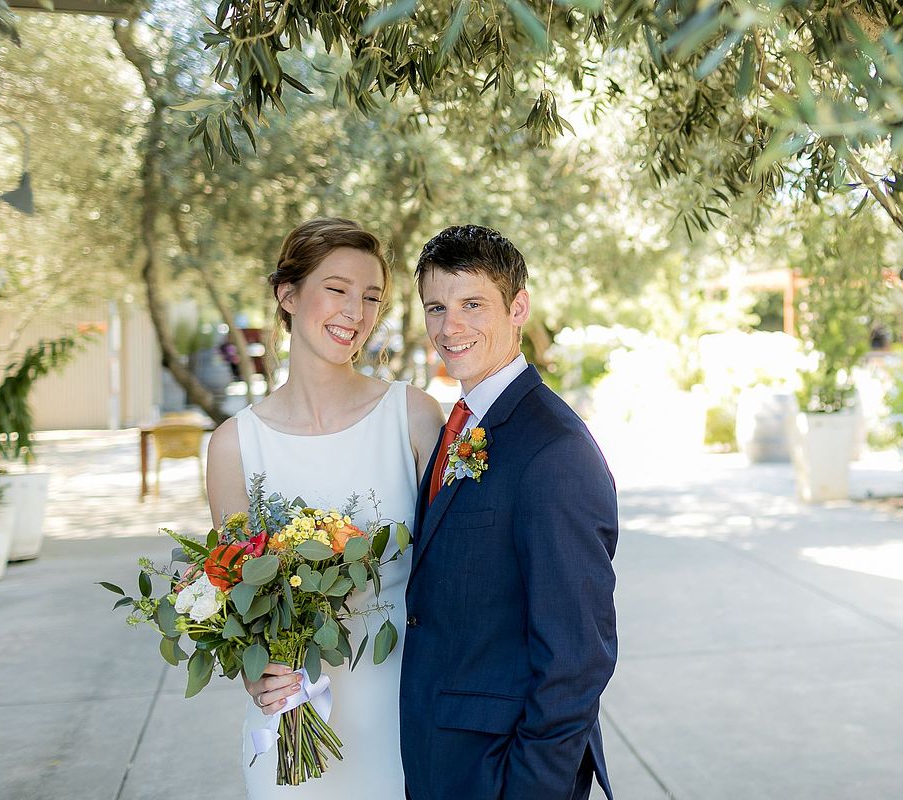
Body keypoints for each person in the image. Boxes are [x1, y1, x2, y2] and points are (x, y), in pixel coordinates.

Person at [206, 218, 444, 799]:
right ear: (288, 296)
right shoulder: (235, 445)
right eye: (337, 289)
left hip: (401, 718)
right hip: (293, 731)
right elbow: (237, 601)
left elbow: (449, 579)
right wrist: (257, 678)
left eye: (371, 298)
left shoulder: (413, 416)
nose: (356, 313)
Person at [400, 225, 619, 800]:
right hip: (443, 753)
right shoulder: (462, 421)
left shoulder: (554, 450)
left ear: (518, 307)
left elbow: (576, 657)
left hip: (502, 771)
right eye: (437, 308)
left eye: (473, 304)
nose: (451, 327)